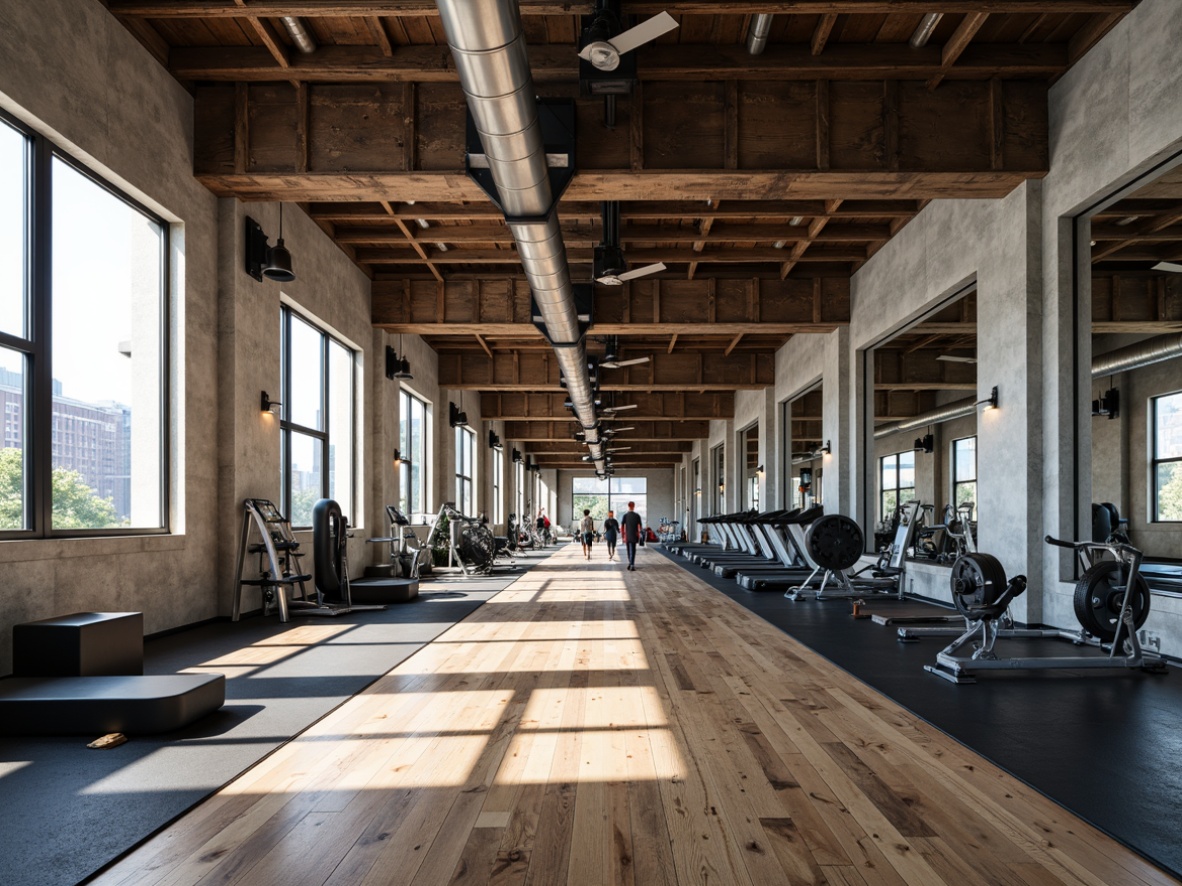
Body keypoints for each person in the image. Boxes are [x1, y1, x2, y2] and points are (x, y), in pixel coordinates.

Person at [621, 501, 643, 571]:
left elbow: (622, 526)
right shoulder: (637, 515)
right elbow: (640, 526)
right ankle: (632, 564)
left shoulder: (625, 516)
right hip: (634, 535)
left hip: (627, 535)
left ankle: (631, 563)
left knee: (628, 550)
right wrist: (639, 534)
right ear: (633, 506)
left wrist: (623, 535)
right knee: (633, 550)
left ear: (628, 506)